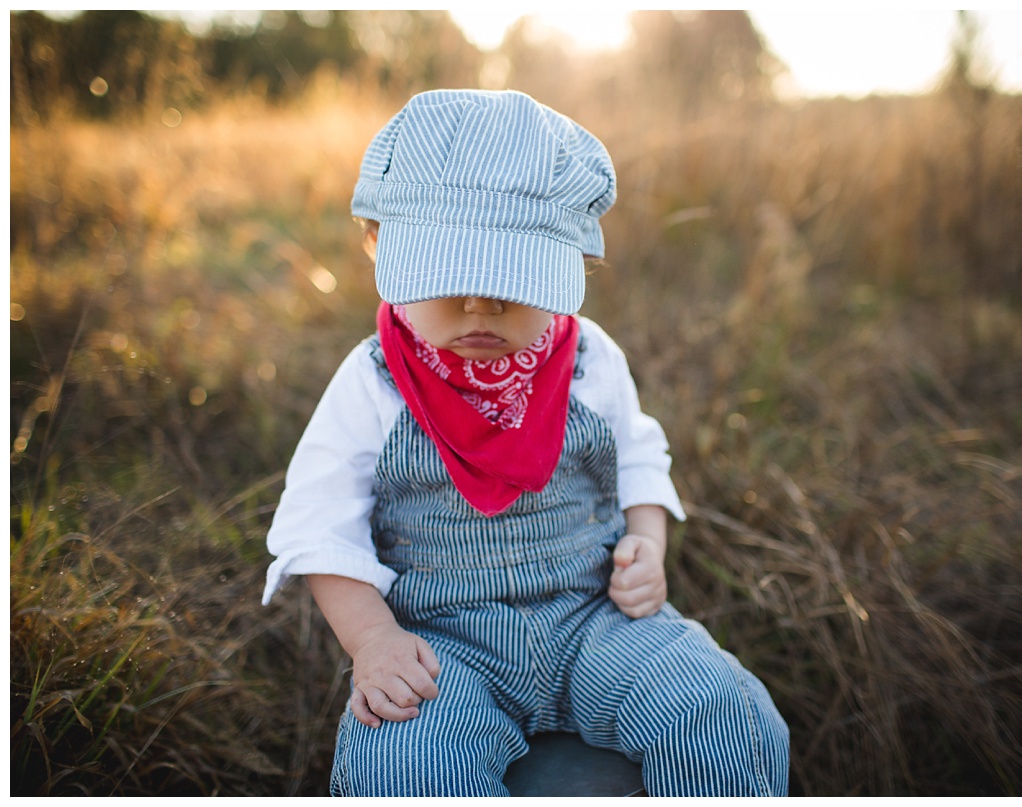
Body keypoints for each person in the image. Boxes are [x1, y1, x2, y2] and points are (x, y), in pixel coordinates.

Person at [262, 89, 789, 797]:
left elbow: (638, 457)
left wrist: (648, 544)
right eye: (448, 273)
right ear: (381, 247)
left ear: (571, 263)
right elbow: (320, 523)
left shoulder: (589, 360)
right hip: (444, 644)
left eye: (512, 277)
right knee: (401, 764)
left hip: (596, 618)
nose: (480, 303)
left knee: (723, 712)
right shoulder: (374, 382)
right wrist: (374, 641)